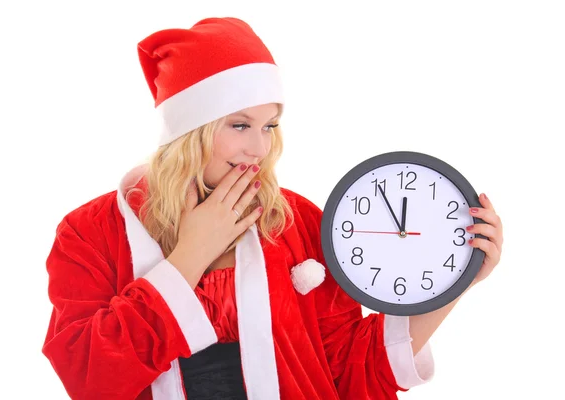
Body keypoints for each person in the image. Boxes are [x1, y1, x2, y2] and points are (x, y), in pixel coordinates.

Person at [41, 17, 504, 400]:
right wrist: (189, 257)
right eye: (240, 125)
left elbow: (349, 372)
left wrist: (455, 278)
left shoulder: (296, 221)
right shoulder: (90, 233)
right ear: (188, 132)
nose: (258, 147)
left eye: (270, 125)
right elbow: (88, 377)